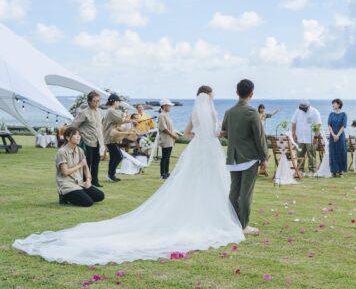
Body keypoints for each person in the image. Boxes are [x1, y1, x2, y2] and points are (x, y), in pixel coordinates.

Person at [13, 86, 244, 265]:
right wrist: (215, 134)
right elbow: (216, 132)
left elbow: (186, 133)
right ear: (209, 98)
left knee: (192, 180)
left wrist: (199, 136)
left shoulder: (195, 112)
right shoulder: (212, 111)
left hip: (198, 147)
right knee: (212, 180)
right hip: (210, 147)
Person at [221, 79, 268, 234]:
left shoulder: (229, 112)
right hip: (249, 158)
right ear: (251, 94)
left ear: (237, 92)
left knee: (233, 193)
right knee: (245, 194)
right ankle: (243, 226)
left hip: (233, 158)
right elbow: (259, 138)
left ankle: (233, 223)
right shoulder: (252, 112)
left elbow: (225, 132)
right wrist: (264, 158)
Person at [55, 127, 105, 207]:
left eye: (79, 135)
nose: (78, 137)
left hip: (79, 183)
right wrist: (80, 165)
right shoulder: (62, 152)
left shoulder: (80, 150)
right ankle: (63, 195)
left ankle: (79, 193)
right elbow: (65, 172)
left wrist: (88, 180)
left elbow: (85, 167)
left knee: (100, 196)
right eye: (75, 135)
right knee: (88, 202)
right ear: (67, 137)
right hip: (67, 184)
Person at [71, 91, 104, 187]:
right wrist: (79, 136)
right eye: (94, 101)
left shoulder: (100, 112)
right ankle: (85, 181)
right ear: (89, 101)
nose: (96, 103)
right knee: (87, 162)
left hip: (98, 141)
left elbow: (100, 126)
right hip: (87, 141)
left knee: (96, 162)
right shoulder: (83, 112)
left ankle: (95, 181)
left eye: (98, 101)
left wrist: (103, 142)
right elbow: (74, 125)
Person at [102, 93, 130, 183]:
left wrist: (129, 119)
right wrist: (130, 119)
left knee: (113, 156)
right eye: (118, 102)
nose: (119, 103)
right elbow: (121, 120)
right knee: (119, 156)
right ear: (114, 102)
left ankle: (111, 175)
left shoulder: (110, 110)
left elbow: (119, 120)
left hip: (109, 136)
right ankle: (111, 175)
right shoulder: (111, 111)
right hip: (110, 137)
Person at [291, 100, 322, 177]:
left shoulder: (315, 112)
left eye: (304, 108)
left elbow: (318, 125)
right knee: (299, 155)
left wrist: (316, 137)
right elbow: (293, 123)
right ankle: (300, 170)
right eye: (301, 108)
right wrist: (293, 134)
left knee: (311, 155)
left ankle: (312, 171)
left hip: (310, 138)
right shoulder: (297, 111)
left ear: (308, 106)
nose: (303, 110)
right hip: (300, 137)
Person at [158, 99, 179, 179]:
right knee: (165, 157)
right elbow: (164, 128)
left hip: (169, 139)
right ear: (164, 106)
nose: (170, 107)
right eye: (169, 106)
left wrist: (174, 134)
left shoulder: (166, 115)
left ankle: (166, 172)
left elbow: (170, 127)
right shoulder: (162, 115)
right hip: (165, 139)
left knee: (167, 157)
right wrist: (172, 135)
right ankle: (163, 173)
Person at [257, 104, 279, 177]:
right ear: (259, 109)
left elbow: (271, 114)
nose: (262, 110)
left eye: (263, 108)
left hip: (263, 133)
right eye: (261, 108)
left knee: (265, 150)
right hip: (258, 134)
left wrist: (276, 111)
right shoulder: (257, 115)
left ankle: (263, 168)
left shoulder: (265, 115)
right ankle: (262, 167)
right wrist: (262, 116)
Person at [328, 98, 347, 178]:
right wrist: (333, 135)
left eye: (334, 103)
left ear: (339, 104)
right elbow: (329, 125)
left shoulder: (344, 114)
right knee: (333, 153)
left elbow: (343, 126)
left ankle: (341, 171)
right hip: (332, 136)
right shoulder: (331, 114)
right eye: (332, 104)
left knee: (341, 152)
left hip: (341, 136)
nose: (332, 105)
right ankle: (333, 171)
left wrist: (338, 135)